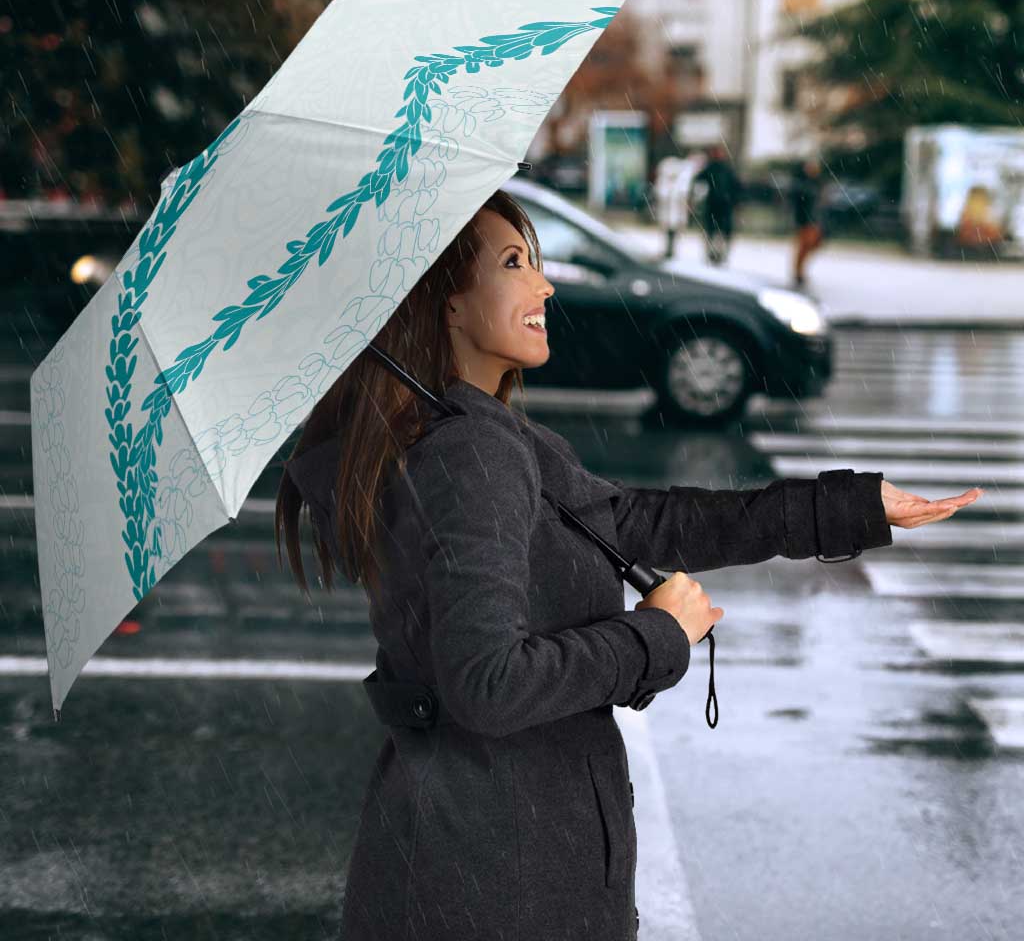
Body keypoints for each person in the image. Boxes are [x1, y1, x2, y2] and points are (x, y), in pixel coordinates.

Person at [276, 189, 980, 941]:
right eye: (514, 263)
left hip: (484, 860)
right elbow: (487, 685)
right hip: (496, 880)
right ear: (445, 304)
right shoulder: (469, 454)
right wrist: (655, 635)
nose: (544, 285)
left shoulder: (481, 436)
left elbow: (643, 522)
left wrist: (850, 507)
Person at [692, 143, 742, 266]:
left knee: (720, 232)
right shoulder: (712, 168)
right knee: (713, 231)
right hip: (715, 205)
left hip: (723, 205)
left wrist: (735, 201)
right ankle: (713, 254)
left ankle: (719, 254)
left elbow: (736, 187)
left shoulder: (725, 169)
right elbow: (698, 181)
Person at [790, 156, 826, 287]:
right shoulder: (802, 184)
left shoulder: (817, 183)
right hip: (805, 220)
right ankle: (798, 272)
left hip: (814, 220)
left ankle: (799, 271)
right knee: (804, 246)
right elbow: (799, 203)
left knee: (812, 245)